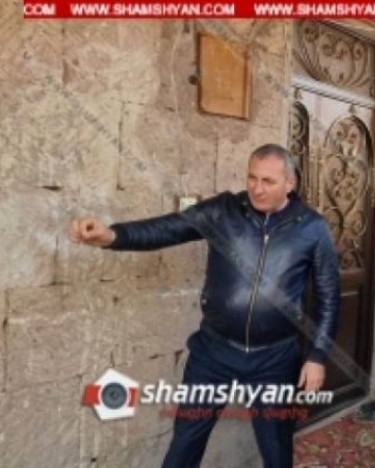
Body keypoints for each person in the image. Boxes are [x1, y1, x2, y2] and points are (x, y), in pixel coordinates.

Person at [70, 144, 340, 468]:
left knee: (276, 448)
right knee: (185, 442)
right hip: (214, 352)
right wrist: (113, 235)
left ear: (290, 183)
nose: (256, 188)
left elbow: (328, 296)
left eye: (268, 181)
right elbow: (167, 228)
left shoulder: (312, 228)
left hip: (275, 358)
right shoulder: (222, 211)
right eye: (251, 177)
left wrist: (317, 356)